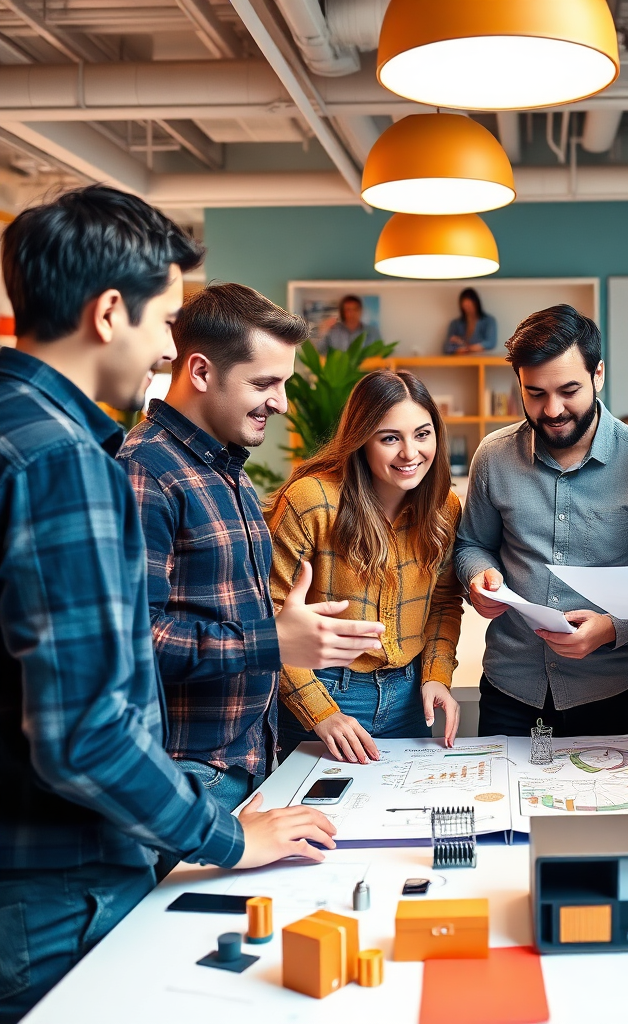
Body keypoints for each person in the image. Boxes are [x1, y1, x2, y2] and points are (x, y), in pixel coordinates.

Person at [0, 186, 336, 1022]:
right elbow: (85, 731)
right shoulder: (63, 461)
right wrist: (229, 836)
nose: (165, 347)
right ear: (109, 312)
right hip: (62, 877)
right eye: (162, 320)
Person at [117, 283, 386, 811]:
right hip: (189, 774)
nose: (281, 403)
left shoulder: (227, 467)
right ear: (200, 372)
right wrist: (271, 641)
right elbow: (132, 642)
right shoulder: (145, 470)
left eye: (284, 383)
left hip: (246, 763)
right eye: (264, 383)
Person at [454, 304, 628, 736]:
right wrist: (477, 578)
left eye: (569, 390)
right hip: (510, 688)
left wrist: (613, 629)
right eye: (535, 393)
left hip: (613, 693)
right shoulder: (493, 456)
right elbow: (472, 544)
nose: (552, 410)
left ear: (598, 374)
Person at [267, 370, 463, 763]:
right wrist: (320, 712)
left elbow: (443, 603)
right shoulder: (311, 501)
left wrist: (437, 676)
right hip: (324, 691)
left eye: (422, 434)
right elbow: (269, 617)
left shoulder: (444, 507)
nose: (410, 453)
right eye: (390, 438)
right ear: (361, 440)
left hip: (410, 700)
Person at [445, 287, 497, 354]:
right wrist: (457, 349)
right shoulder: (455, 324)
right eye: (465, 306)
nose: (468, 308)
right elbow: (446, 347)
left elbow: (491, 342)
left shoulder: (488, 321)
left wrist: (476, 347)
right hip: (460, 358)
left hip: (481, 357)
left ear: (476, 303)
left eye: (470, 305)